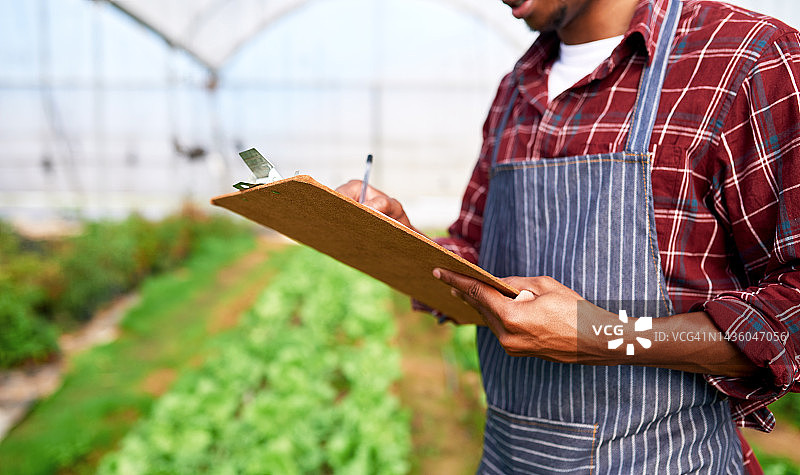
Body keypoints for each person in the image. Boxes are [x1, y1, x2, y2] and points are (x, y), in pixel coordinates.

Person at [337, 0, 800, 472]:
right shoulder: (517, 87)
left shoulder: (746, 61)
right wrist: (395, 237)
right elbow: (475, 266)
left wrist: (605, 336)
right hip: (508, 459)